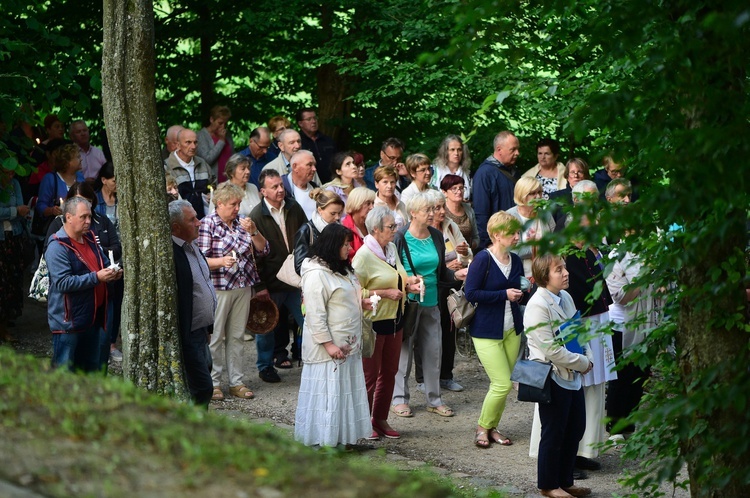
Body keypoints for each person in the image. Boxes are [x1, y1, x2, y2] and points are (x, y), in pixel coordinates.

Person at [391, 192, 467, 419]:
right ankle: (399, 400)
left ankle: (434, 400)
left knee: (434, 352)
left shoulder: (435, 235)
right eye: (428, 210)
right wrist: (406, 286)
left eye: (433, 209)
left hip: (433, 301)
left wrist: (457, 274)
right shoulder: (401, 237)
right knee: (404, 353)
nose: (433, 214)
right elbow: (392, 271)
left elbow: (441, 272)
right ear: (413, 213)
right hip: (409, 305)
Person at [294, 223, 371, 447]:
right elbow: (315, 313)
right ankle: (324, 441)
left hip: (347, 341)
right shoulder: (316, 274)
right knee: (328, 393)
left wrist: (361, 302)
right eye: (345, 244)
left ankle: (343, 439)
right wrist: (328, 345)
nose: (350, 248)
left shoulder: (341, 268)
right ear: (332, 245)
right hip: (329, 346)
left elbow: (345, 296)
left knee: (344, 391)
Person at [525, 254, 594, 498]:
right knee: (553, 433)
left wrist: (587, 355)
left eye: (564, 268)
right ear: (545, 276)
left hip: (572, 374)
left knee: (575, 428)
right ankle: (548, 485)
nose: (566, 273)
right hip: (553, 377)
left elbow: (578, 330)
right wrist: (583, 363)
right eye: (559, 269)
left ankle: (566, 481)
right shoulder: (537, 306)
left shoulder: (565, 296)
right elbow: (551, 350)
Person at [353, 206, 421, 440]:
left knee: (390, 373)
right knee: (369, 376)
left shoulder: (391, 248)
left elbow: (397, 277)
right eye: (391, 227)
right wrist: (384, 293)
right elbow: (356, 292)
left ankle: (380, 418)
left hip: (395, 320)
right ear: (375, 229)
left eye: (395, 225)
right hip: (373, 323)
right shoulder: (362, 256)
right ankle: (362, 421)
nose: (396, 230)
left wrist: (408, 285)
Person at [198, 183, 270, 401]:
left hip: (243, 285)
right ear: (219, 204)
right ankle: (214, 382)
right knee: (216, 336)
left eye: (239, 203)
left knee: (237, 335)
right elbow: (200, 259)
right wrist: (221, 261)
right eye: (233, 204)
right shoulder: (207, 224)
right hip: (219, 287)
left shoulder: (242, 222)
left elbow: (263, 249)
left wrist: (254, 231)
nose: (238, 208)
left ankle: (236, 382)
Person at [46, 181, 122, 367]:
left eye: (90, 216)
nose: (89, 221)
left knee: (90, 371)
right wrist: (97, 277)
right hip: (69, 323)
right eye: (84, 217)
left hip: (93, 318)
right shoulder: (57, 246)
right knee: (65, 373)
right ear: (69, 217)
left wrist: (114, 271)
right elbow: (63, 283)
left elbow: (103, 261)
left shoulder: (89, 238)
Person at [465, 211, 524, 448]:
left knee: (504, 384)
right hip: (486, 330)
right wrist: (504, 295)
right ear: (498, 235)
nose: (518, 237)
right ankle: (482, 427)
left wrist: (524, 289)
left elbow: (519, 285)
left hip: (512, 329)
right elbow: (471, 293)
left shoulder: (516, 259)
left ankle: (492, 428)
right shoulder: (483, 259)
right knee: (502, 384)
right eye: (513, 233)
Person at [250, 169, 308, 383]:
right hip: (271, 282)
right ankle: (265, 366)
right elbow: (253, 256)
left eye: (281, 185)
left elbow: (306, 237)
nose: (280, 190)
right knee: (266, 327)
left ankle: (312, 361)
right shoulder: (256, 216)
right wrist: (260, 286)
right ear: (263, 191)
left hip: (296, 278)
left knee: (308, 320)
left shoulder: (294, 207)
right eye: (274, 187)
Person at [169, 200, 217, 408]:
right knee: (203, 387)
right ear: (176, 227)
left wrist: (208, 327)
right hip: (187, 334)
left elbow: (203, 285)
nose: (199, 223)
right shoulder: (172, 253)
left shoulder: (193, 246)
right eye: (192, 220)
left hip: (201, 331)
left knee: (204, 378)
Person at [474, 131, 521, 248]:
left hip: (515, 237)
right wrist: (488, 242)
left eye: (518, 149)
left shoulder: (514, 172)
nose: (517, 153)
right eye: (513, 149)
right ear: (499, 149)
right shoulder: (484, 174)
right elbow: (481, 212)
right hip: (497, 241)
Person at [0, 170, 29, 343]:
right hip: (2, 240)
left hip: (13, 238)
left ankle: (5, 325)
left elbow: (22, 209)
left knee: (11, 281)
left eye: (13, 173)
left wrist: (13, 212)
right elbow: (17, 210)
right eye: (7, 173)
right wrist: (14, 211)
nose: (11, 176)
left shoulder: (14, 184)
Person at [507, 176, 557, 277]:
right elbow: (514, 251)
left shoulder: (545, 213)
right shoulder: (510, 216)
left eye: (539, 192)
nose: (538, 197)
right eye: (532, 193)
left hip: (547, 273)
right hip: (521, 276)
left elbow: (555, 240)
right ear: (522, 195)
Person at [165, 128, 214, 219]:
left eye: (195, 142)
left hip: (203, 219)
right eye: (188, 142)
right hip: (178, 221)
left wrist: (211, 194)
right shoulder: (167, 167)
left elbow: (213, 184)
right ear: (178, 145)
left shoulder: (202, 164)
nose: (193, 146)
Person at [293, 188, 344, 274]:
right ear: (320, 210)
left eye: (339, 213)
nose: (337, 217)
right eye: (333, 213)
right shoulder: (306, 231)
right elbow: (299, 266)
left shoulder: (339, 228)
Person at [37, 144, 85, 226]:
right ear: (67, 163)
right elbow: (40, 206)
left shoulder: (80, 177)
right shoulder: (50, 179)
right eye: (77, 157)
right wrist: (52, 210)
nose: (81, 159)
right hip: (57, 227)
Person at [208, 153, 261, 218]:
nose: (248, 171)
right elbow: (213, 217)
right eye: (243, 169)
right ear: (231, 172)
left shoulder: (253, 187)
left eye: (248, 168)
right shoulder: (221, 191)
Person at [296, 108, 337, 184]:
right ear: (300, 123)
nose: (313, 121)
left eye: (315, 118)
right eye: (309, 119)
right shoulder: (298, 143)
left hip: (333, 182)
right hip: (311, 184)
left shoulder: (327, 140)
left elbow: (337, 160)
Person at [549, 158, 591, 232]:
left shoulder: (593, 196)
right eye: (572, 172)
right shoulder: (555, 197)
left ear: (586, 175)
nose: (576, 175)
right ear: (567, 176)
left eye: (580, 172)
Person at [197, 105, 234, 182]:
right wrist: (221, 141)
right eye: (220, 123)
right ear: (211, 120)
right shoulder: (202, 136)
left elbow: (232, 156)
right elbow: (207, 160)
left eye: (225, 123)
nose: (223, 126)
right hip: (212, 182)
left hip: (229, 180)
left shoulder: (227, 135)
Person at [441, 174, 479, 249]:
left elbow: (476, 237)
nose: (459, 191)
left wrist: (469, 248)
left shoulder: (469, 209)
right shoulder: (441, 211)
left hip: (468, 254)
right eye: (454, 188)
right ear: (444, 192)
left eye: (461, 188)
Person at [430, 134, 472, 201]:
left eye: (459, 150)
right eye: (452, 150)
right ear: (445, 151)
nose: (456, 153)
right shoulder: (433, 171)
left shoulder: (468, 173)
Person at [281, 150, 320, 219]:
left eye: (314, 165)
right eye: (309, 165)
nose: (314, 169)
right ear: (295, 167)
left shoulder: (315, 188)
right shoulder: (282, 188)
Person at [341, 187, 376, 259]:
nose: (372, 207)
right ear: (356, 204)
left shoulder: (373, 225)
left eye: (373, 203)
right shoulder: (344, 228)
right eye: (368, 203)